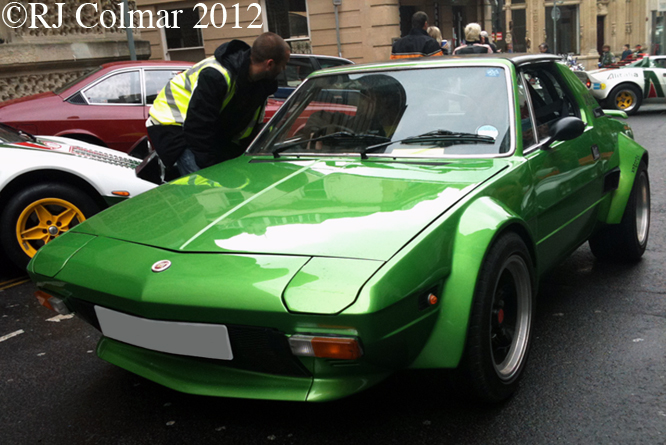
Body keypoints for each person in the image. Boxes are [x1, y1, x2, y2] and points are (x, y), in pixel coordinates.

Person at [147, 32, 290, 176]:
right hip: (172, 125)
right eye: (284, 64)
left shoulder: (259, 84)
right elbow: (198, 128)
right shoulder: (216, 75)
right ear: (270, 64)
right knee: (206, 185)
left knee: (229, 180)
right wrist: (213, 171)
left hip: (200, 129)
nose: (284, 69)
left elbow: (247, 129)